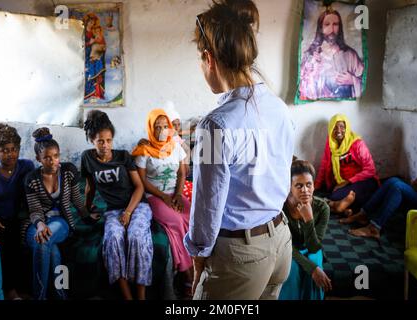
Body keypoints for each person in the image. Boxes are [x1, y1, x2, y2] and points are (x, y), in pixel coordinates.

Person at [184, 0, 295, 300]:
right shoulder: (278, 107)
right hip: (280, 241)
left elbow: (206, 206)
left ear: (208, 58)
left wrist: (198, 258)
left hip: (241, 257)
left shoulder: (214, 126)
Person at [81, 110, 153, 300]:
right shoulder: (87, 158)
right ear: (91, 141)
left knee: (137, 237)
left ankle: (141, 295)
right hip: (113, 210)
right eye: (100, 141)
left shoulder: (123, 157)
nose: (105, 145)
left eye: (109, 140)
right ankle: (127, 296)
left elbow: (139, 187)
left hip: (136, 205)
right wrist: (87, 209)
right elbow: (89, 187)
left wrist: (129, 212)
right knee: (112, 239)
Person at [23, 128, 97, 300]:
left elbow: (77, 200)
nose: (53, 161)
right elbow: (34, 211)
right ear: (38, 159)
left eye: (56, 156)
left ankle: (39, 297)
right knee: (48, 246)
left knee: (44, 241)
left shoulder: (68, 171)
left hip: (60, 222)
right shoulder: (31, 179)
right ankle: (59, 295)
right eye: (47, 157)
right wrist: (40, 224)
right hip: (36, 224)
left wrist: (86, 216)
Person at [132, 108, 193, 297]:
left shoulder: (175, 147)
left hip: (174, 193)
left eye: (165, 126)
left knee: (191, 217)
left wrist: (176, 195)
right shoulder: (143, 151)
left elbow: (183, 173)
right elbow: (143, 182)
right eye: (157, 127)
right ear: (150, 128)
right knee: (174, 221)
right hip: (155, 195)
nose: (161, 130)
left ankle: (194, 265)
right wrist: (164, 197)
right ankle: (187, 274)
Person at [342, 134, 417, 239]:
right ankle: (363, 213)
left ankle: (374, 228)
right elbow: (414, 185)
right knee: (392, 180)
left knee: (398, 187)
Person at [0, 124, 34, 300]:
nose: (10, 154)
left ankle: (17, 290)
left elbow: (35, 189)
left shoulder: (26, 167)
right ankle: (9, 292)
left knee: (18, 245)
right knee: (2, 247)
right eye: (4, 150)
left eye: (14, 149)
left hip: (14, 219)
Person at [279, 160, 331, 300]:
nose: (305, 190)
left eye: (309, 185)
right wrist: (311, 269)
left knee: (315, 263)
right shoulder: (280, 208)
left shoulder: (322, 208)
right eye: (299, 185)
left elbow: (314, 247)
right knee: (292, 271)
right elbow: (286, 246)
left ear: (314, 186)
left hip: (311, 248)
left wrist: (308, 219)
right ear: (290, 187)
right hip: (287, 249)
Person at [315, 114, 379, 215]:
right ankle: (344, 209)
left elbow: (370, 170)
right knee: (336, 195)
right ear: (331, 129)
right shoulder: (331, 144)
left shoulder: (357, 144)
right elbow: (324, 165)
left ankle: (335, 206)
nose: (338, 130)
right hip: (343, 183)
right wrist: (316, 185)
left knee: (364, 193)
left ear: (347, 128)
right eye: (335, 127)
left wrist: (347, 182)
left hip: (364, 180)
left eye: (342, 126)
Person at [299, 8, 364, 100]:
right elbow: (302, 85)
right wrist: (313, 70)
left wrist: (352, 80)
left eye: (335, 24)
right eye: (327, 24)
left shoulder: (350, 54)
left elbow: (365, 81)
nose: (332, 29)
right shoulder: (311, 55)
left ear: (339, 27)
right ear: (321, 28)